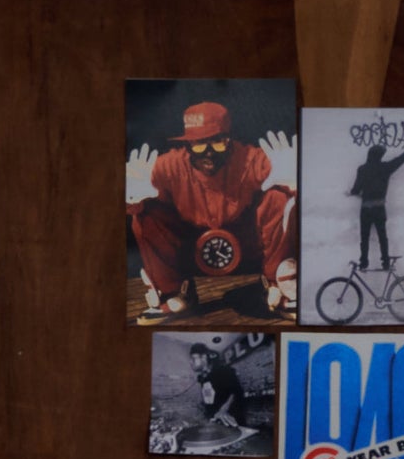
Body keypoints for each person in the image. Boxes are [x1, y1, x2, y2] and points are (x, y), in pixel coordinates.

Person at [126, 99, 298, 319]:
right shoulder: (167, 166)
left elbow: (301, 194)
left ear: (229, 139)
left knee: (281, 196)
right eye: (199, 144)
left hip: (249, 249)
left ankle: (279, 285)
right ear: (187, 144)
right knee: (145, 213)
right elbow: (128, 205)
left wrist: (297, 182)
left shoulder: (251, 158)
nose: (209, 153)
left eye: (218, 142)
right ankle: (172, 293)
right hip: (190, 251)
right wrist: (130, 198)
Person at [349, 134, 404, 269]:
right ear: (380, 156)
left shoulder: (362, 169)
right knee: (382, 236)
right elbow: (401, 159)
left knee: (364, 237)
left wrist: (353, 193)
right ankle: (385, 262)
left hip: (366, 208)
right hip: (379, 207)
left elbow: (356, 189)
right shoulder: (386, 168)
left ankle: (364, 262)